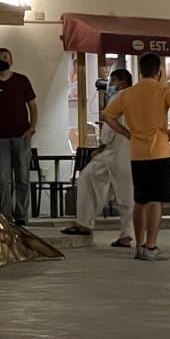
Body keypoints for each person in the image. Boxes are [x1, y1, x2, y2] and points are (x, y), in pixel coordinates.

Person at [102, 52, 170, 262]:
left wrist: (126, 133)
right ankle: (151, 245)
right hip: (159, 151)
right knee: (156, 201)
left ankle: (139, 246)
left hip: (137, 153)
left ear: (140, 71)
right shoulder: (163, 90)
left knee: (140, 200)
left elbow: (107, 115)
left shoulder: (127, 94)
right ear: (158, 72)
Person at [61, 68, 135, 247]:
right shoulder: (135, 98)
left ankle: (85, 222)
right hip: (129, 151)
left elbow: (109, 126)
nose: (109, 85)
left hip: (113, 150)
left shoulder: (118, 98)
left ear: (122, 83)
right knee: (126, 193)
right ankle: (127, 234)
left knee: (86, 177)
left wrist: (100, 146)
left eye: (112, 81)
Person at [0, 47, 37, 226]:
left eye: (5, 57)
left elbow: (33, 106)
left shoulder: (22, 81)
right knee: (2, 179)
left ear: (11, 61)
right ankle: (6, 215)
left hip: (21, 136)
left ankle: (21, 215)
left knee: (22, 178)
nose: (1, 59)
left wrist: (32, 128)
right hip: (0, 139)